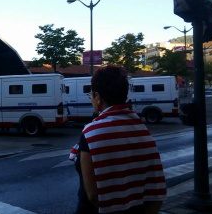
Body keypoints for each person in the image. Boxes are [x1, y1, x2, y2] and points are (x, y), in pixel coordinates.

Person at [69, 65, 166, 214]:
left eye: (91, 95)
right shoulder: (142, 129)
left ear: (98, 97)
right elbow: (156, 190)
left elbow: (93, 195)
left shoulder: (91, 133)